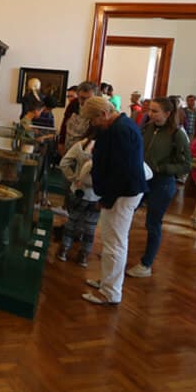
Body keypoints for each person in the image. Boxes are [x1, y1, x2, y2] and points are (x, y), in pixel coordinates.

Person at [80, 96, 147, 305]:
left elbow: (121, 171)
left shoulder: (121, 130)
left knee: (114, 244)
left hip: (122, 194)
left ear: (104, 114)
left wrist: (107, 199)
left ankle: (111, 292)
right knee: (111, 240)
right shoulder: (118, 127)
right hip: (118, 193)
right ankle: (107, 282)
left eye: (94, 120)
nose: (93, 124)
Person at [126, 96, 192, 278]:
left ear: (168, 113)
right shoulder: (148, 127)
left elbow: (186, 164)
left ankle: (146, 264)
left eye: (155, 111)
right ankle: (119, 254)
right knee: (126, 213)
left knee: (153, 224)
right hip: (141, 179)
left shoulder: (178, 134)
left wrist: (161, 168)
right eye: (150, 110)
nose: (150, 114)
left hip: (162, 183)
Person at [57, 137, 99, 266]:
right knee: (90, 228)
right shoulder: (112, 147)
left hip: (78, 190)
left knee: (72, 221)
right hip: (96, 195)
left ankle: (64, 250)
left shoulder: (81, 145)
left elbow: (64, 163)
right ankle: (84, 256)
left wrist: (74, 178)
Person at [59, 81, 98, 151]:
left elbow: (94, 133)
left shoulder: (97, 110)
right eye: (82, 98)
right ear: (78, 95)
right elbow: (64, 124)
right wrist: (61, 143)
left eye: (88, 99)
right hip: (68, 145)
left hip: (84, 148)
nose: (85, 102)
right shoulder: (73, 104)